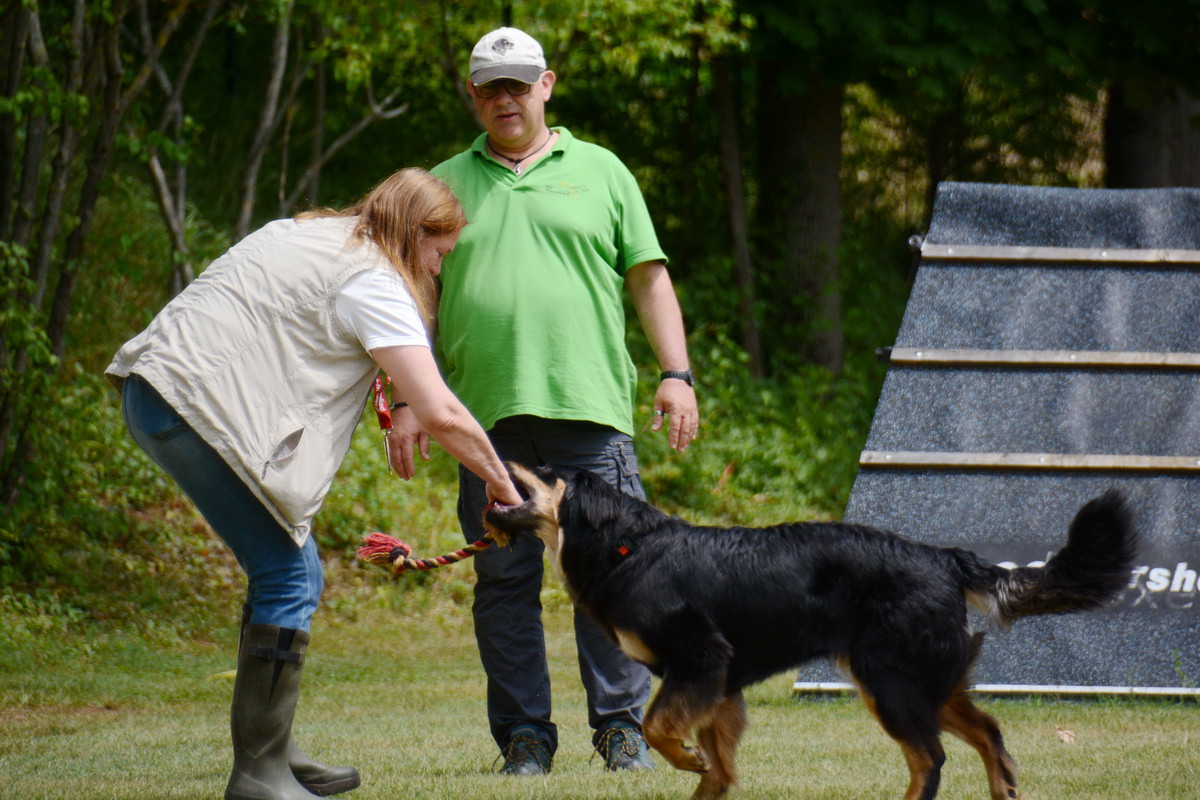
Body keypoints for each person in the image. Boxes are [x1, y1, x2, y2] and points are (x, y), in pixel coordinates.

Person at [106, 168, 522, 800]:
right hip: (197, 411)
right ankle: (259, 774)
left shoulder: (309, 232)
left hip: (156, 392)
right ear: (416, 238)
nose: (437, 272)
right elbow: (440, 411)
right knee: (287, 577)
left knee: (296, 569)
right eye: (438, 255)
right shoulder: (375, 278)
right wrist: (501, 483)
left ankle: (273, 752)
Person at [388, 27, 699, 776]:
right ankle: (524, 737)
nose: (506, 98)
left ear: (547, 85)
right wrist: (406, 399)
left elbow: (649, 277)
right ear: (473, 94)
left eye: (518, 83)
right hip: (485, 424)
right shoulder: (439, 185)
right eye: (491, 86)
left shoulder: (601, 171)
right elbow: (411, 301)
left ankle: (624, 729)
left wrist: (675, 373)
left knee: (614, 579)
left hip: (590, 412)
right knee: (502, 584)